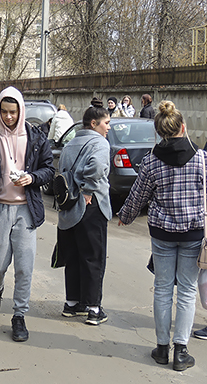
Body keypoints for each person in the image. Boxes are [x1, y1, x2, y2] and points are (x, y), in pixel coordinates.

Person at [118, 100, 201, 372]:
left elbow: (139, 195)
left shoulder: (152, 161)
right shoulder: (201, 159)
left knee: (163, 289)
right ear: (183, 128)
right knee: (188, 291)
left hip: (162, 232)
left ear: (159, 133)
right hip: (193, 232)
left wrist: (125, 216)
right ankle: (181, 351)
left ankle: (162, 348)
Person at [0, 86, 54, 342]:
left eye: (12, 112)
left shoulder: (36, 137)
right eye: (4, 112)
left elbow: (49, 170)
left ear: (20, 111)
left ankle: (19, 315)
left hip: (26, 210)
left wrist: (32, 177)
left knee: (24, 266)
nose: (8, 117)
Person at [56, 98, 112, 326]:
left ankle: (72, 303)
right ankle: (93, 308)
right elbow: (97, 168)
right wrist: (88, 189)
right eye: (106, 123)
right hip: (91, 205)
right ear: (93, 123)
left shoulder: (70, 144)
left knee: (74, 256)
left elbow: (61, 171)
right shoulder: (100, 144)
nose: (108, 127)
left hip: (69, 209)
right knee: (93, 257)